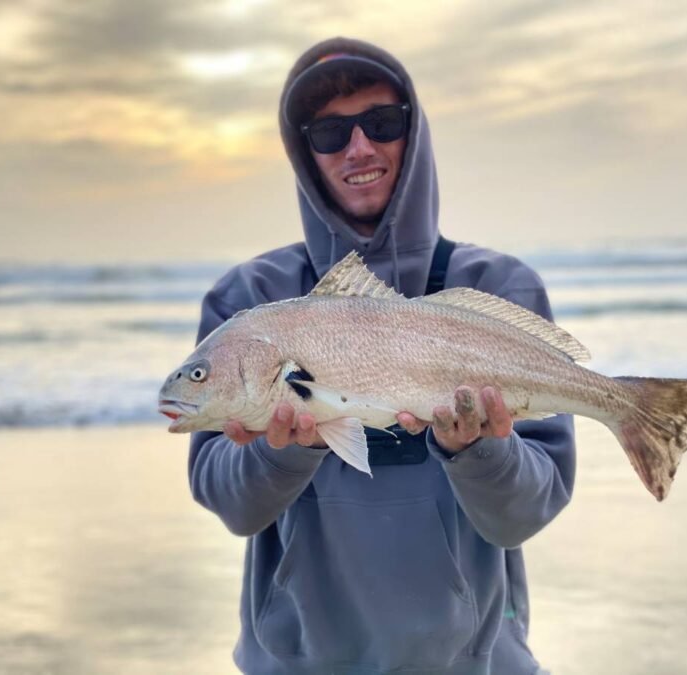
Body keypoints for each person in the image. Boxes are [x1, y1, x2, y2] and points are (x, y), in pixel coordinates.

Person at [189, 37, 575, 675]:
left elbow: (524, 515)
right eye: (330, 132)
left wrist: (478, 450)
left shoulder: (497, 287)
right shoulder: (250, 301)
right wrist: (280, 452)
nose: (359, 147)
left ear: (413, 135)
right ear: (304, 154)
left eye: (381, 123)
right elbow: (229, 503)